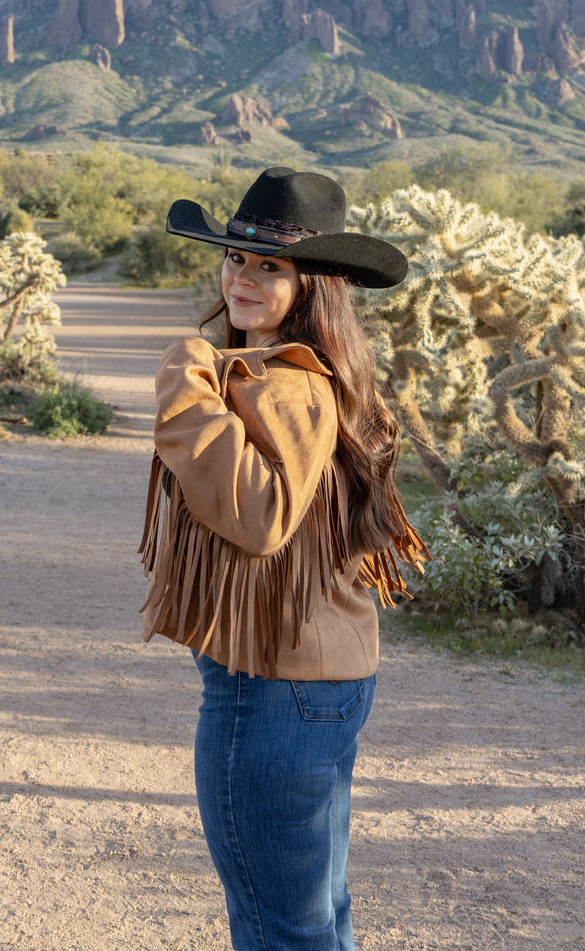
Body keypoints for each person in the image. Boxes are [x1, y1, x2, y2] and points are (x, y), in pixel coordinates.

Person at [139, 166, 428, 951]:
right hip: (317, 685)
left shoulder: (287, 383)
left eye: (271, 266)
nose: (244, 277)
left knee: (280, 931)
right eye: (237, 258)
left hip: (269, 694)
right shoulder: (304, 374)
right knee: (314, 920)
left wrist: (184, 383)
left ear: (313, 286)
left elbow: (259, 514)